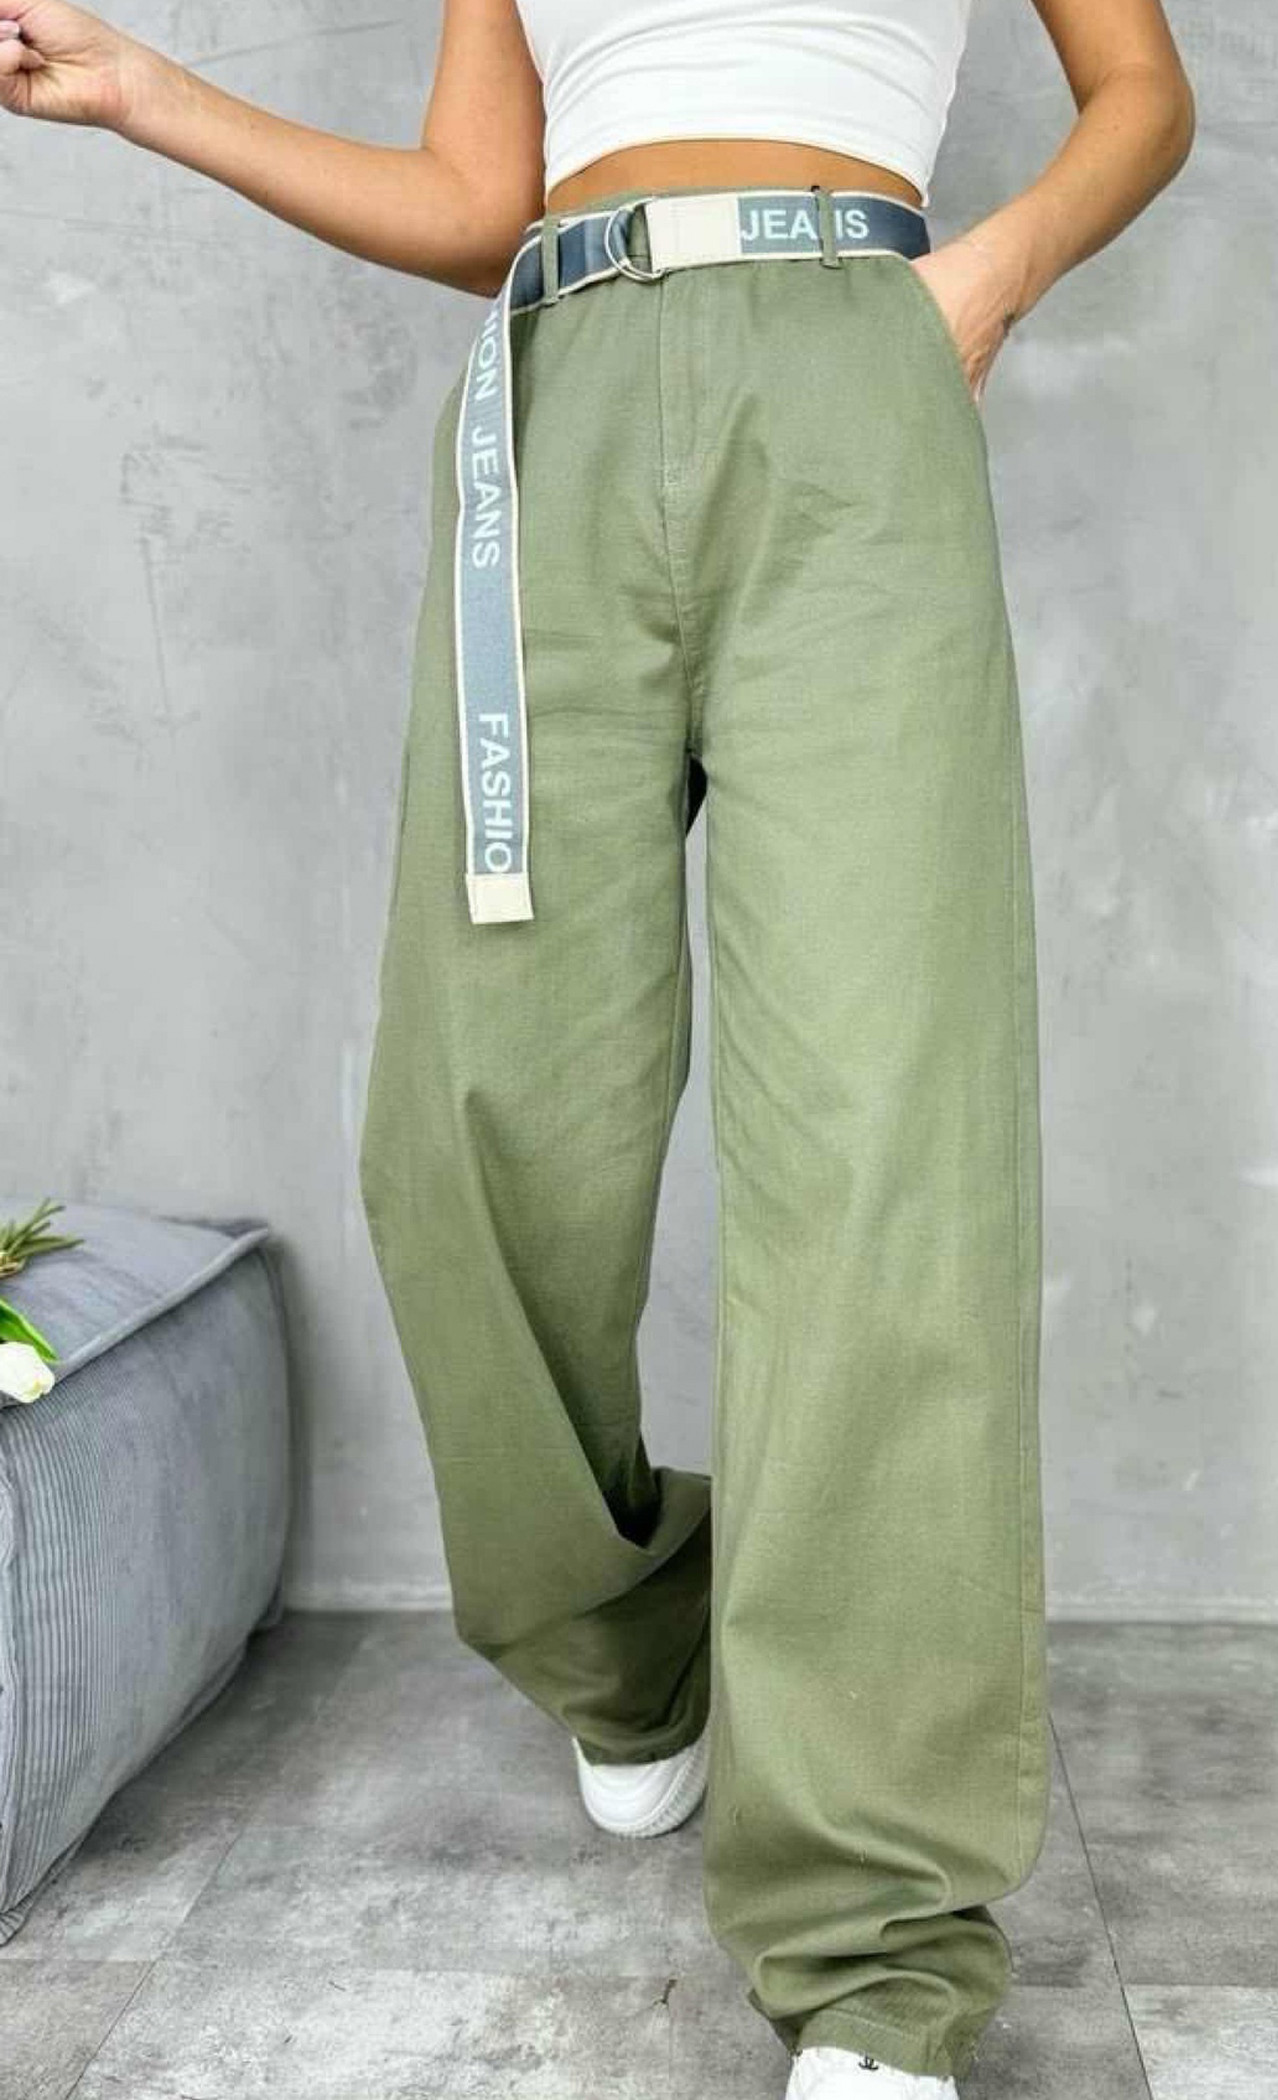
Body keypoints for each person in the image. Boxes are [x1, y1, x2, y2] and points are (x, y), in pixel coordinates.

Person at [1, 3, 1194, 2092]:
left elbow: (1145, 93)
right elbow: (480, 198)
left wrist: (982, 279)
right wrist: (147, 98)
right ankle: (629, 1633)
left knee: (884, 1152)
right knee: (469, 1130)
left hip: (850, 379)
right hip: (556, 406)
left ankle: (877, 1945)